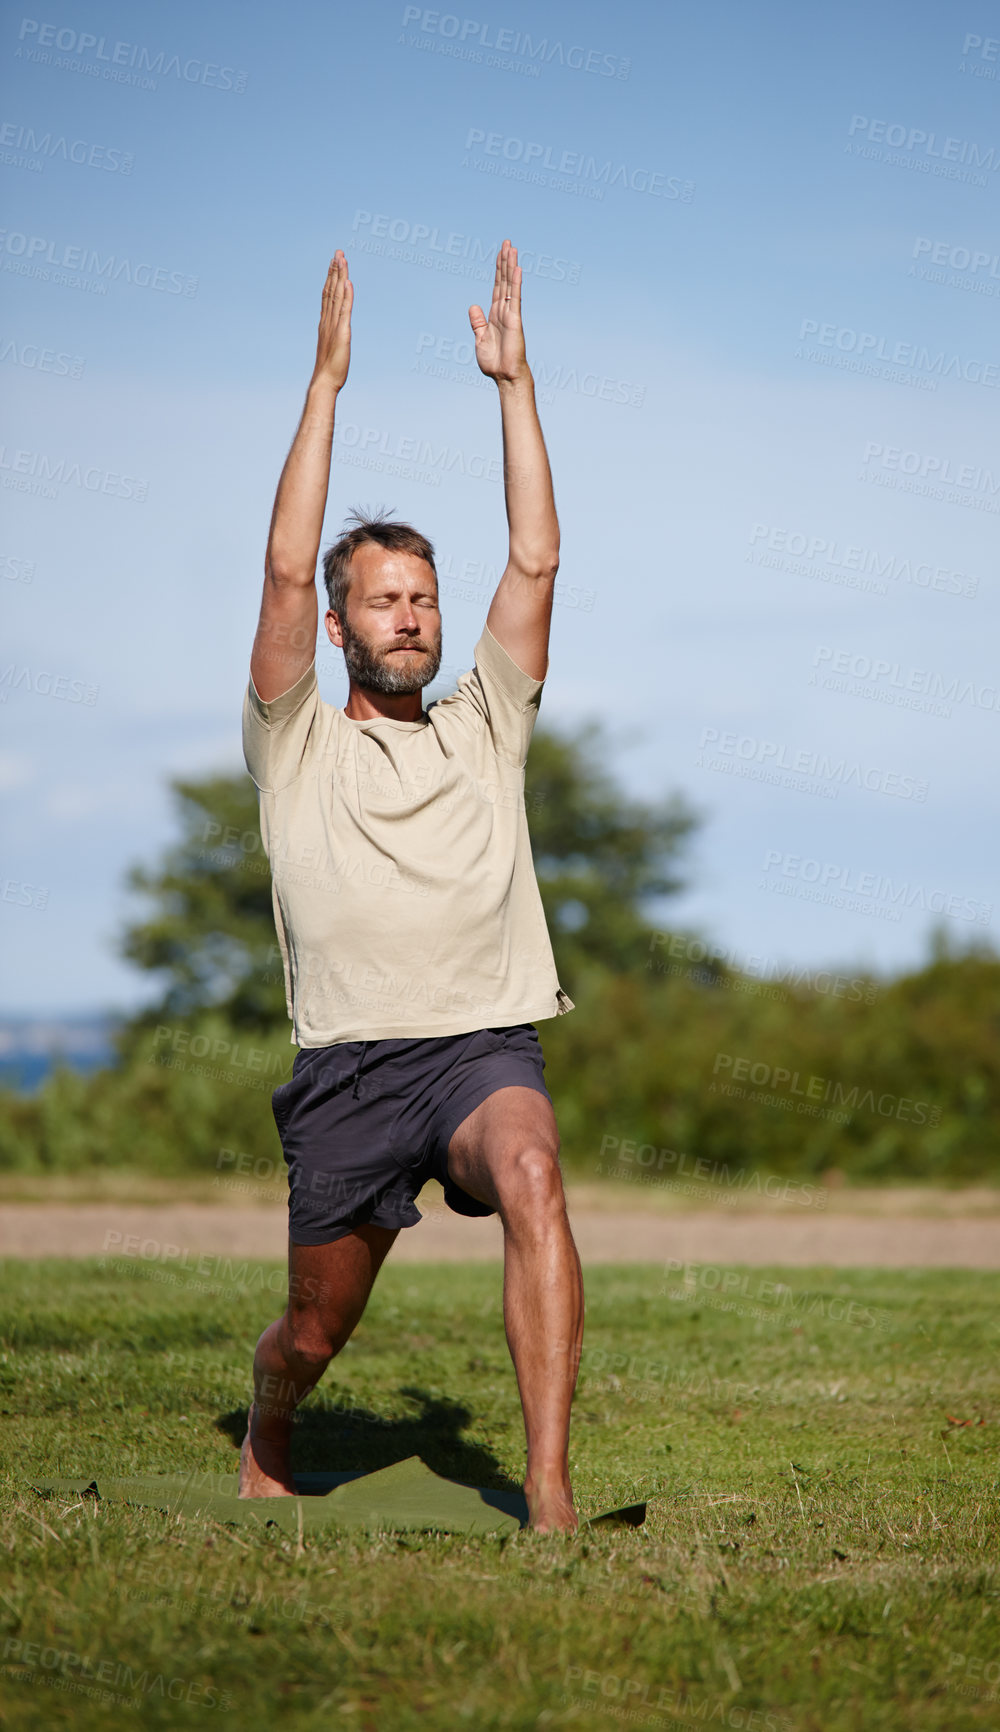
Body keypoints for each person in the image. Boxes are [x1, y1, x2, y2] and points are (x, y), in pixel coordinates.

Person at [237, 242, 583, 1532]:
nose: (410, 616)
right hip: (347, 1068)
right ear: (341, 628)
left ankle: (546, 1494)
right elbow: (280, 571)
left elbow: (538, 564)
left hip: (480, 1045)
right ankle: (272, 1405)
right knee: (318, 1334)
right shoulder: (297, 738)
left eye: (423, 598)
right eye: (382, 601)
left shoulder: (489, 723)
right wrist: (325, 388)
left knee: (536, 1175)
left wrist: (514, 385)